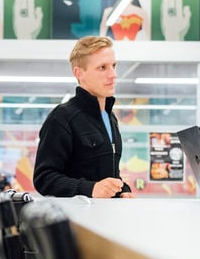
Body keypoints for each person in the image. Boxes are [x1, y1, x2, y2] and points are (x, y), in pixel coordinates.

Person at [33, 36, 133, 198]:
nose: (113, 74)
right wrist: (90, 189)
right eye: (102, 68)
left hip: (106, 219)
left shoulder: (110, 118)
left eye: (114, 66)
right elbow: (44, 178)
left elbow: (107, 175)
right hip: (75, 220)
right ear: (79, 73)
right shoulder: (62, 118)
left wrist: (122, 191)